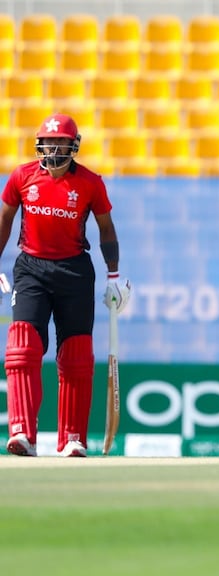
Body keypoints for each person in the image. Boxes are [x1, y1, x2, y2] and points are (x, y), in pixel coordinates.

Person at [2, 113, 131, 457]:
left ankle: (72, 438)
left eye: (60, 143)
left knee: (75, 355)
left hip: (74, 271)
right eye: (48, 142)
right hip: (31, 267)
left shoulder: (90, 183)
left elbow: (106, 229)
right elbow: (4, 219)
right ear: (39, 145)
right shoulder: (22, 177)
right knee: (22, 348)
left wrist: (114, 276)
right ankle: (22, 433)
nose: (53, 149)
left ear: (73, 147)